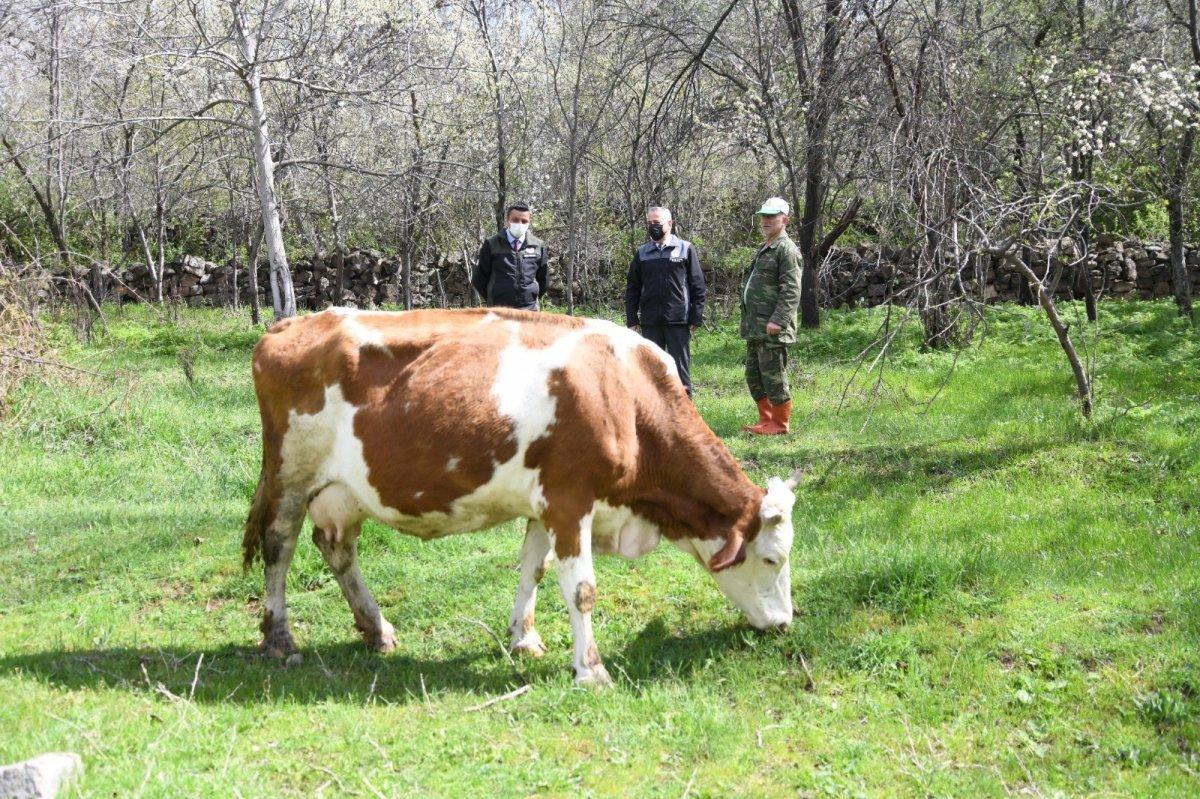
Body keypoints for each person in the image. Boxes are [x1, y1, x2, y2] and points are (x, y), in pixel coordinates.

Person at [624, 206, 706, 397]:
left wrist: (695, 317)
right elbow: (632, 288)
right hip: (650, 321)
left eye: (657, 223)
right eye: (650, 223)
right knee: (651, 372)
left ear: (669, 224)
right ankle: (655, 418)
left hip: (678, 321)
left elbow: (698, 285)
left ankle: (685, 417)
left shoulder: (685, 249)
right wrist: (632, 319)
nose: (653, 226)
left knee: (680, 372)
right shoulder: (642, 253)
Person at [740, 197, 801, 435]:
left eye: (771, 216)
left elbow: (792, 290)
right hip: (756, 327)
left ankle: (780, 424)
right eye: (763, 216)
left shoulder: (787, 250)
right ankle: (766, 420)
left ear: (784, 220)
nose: (765, 221)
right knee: (754, 376)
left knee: (773, 375)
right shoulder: (767, 246)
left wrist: (778, 319)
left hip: (773, 327)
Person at [471, 203, 549, 310]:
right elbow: (479, 279)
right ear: (507, 219)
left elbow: (544, 279)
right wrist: (493, 298)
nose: (520, 224)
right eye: (515, 220)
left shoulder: (538, 246)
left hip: (529, 310)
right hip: (499, 310)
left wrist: (531, 297)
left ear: (529, 221)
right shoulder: (491, 244)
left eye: (524, 221)